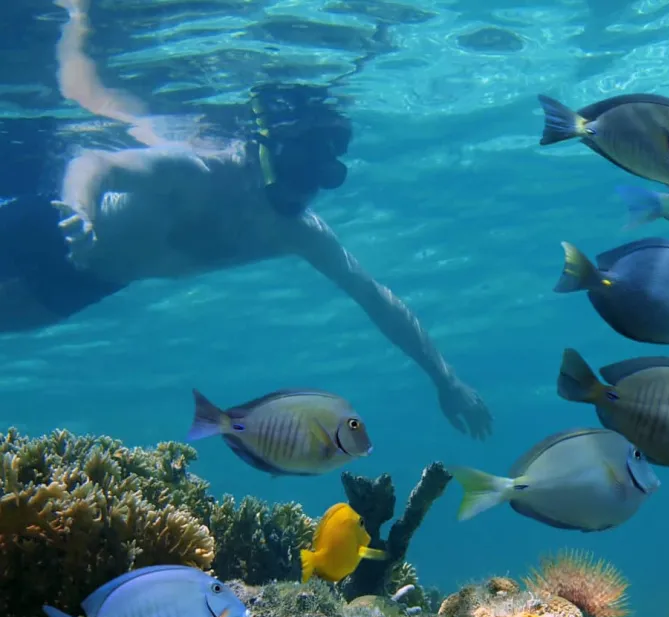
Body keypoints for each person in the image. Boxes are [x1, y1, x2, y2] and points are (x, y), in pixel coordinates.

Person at [0, 0, 492, 439]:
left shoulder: (297, 230)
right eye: (300, 171)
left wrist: (445, 379)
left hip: (94, 281)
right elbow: (95, 164)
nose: (306, 191)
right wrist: (79, 212)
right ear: (268, 151)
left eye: (321, 178)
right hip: (57, 226)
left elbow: (376, 298)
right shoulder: (200, 170)